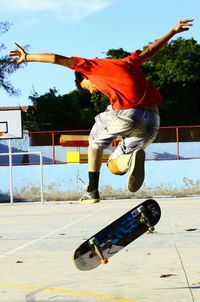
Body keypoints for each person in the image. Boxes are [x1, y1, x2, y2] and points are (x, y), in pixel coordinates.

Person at [9, 19, 193, 204]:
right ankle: (128, 160)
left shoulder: (89, 66)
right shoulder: (127, 62)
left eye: (86, 87)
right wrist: (172, 32)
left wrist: (28, 57)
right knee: (114, 166)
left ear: (84, 77)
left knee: (94, 141)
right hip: (152, 121)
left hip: (128, 113)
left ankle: (92, 190)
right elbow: (151, 51)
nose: (91, 90)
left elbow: (56, 58)